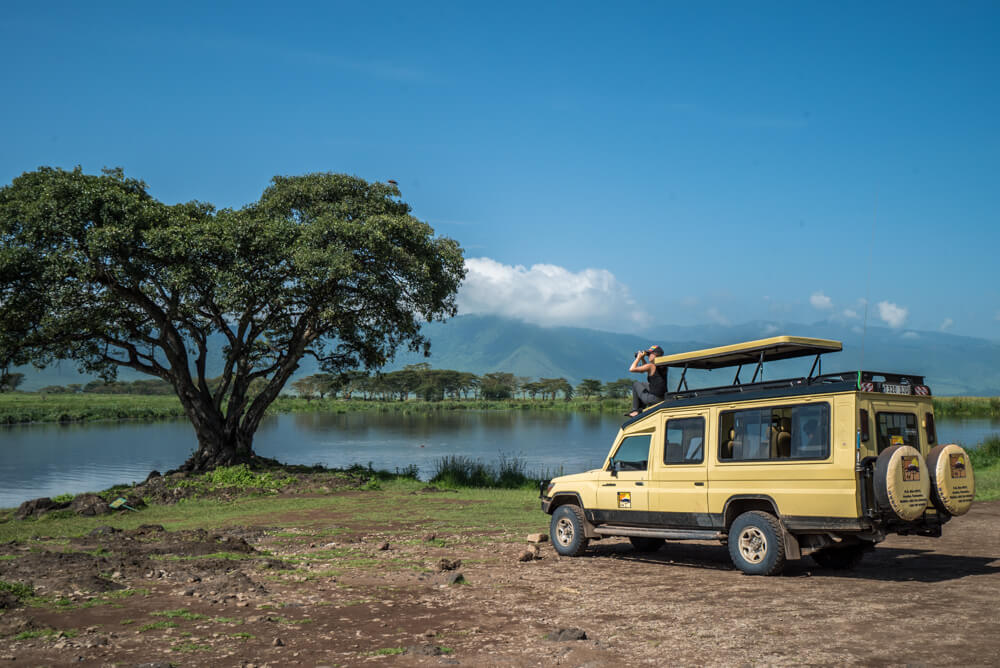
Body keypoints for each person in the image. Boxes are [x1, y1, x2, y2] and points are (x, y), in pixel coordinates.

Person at [626, 345, 667, 417]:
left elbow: (632, 369)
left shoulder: (651, 366)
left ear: (655, 354)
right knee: (644, 384)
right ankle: (640, 408)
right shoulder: (663, 365)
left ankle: (635, 410)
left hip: (653, 399)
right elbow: (645, 370)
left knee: (635, 384)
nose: (648, 356)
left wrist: (638, 358)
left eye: (649, 354)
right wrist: (642, 359)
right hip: (662, 398)